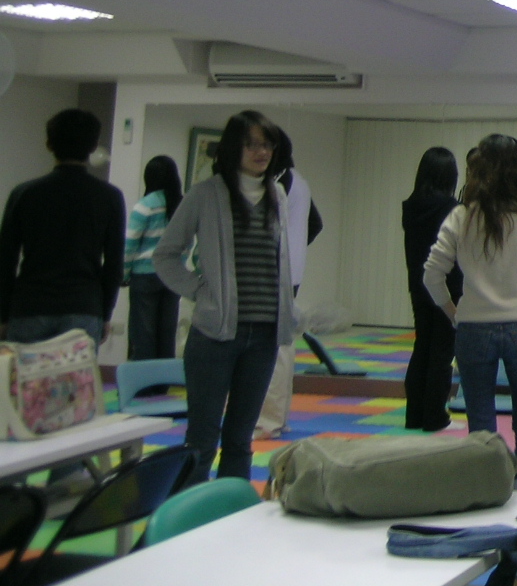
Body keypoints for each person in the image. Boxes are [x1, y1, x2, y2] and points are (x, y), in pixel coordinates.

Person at [154, 110, 297, 481]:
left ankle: (233, 510)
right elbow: (165, 255)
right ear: (234, 148)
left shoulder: (278, 195)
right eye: (251, 144)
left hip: (264, 336)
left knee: (240, 440)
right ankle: (190, 511)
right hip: (214, 336)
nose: (261, 152)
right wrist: (201, 292)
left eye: (267, 145)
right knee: (202, 440)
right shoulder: (205, 195)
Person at [424, 134, 517, 490]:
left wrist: (453, 312)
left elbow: (432, 275)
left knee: (481, 421)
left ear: (477, 169)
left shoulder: (462, 216)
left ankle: (487, 489)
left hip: (473, 328)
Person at [0, 109, 124, 347]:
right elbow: (113, 265)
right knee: (77, 374)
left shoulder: (24, 194)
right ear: (93, 146)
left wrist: (4, 315)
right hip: (83, 307)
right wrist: (105, 314)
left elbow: (6, 260)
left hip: (30, 307)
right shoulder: (109, 197)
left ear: (49, 144)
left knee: (28, 373)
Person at [256, 131, 323, 438]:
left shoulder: (279, 183)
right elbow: (316, 224)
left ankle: (268, 421)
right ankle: (276, 419)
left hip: (275, 273)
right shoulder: (299, 180)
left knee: (273, 351)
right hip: (290, 272)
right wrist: (296, 249)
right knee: (282, 348)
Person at [402, 147, 461, 432]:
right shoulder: (452, 209)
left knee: (423, 346)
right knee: (442, 351)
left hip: (418, 284)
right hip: (447, 287)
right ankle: (436, 416)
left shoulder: (411, 206)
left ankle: (414, 415)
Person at [125, 155, 183, 360]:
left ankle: (144, 378)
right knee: (167, 333)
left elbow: (130, 243)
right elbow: (188, 242)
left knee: (143, 334)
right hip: (173, 276)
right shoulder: (182, 205)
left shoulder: (145, 205)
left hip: (145, 275)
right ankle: (163, 377)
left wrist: (123, 274)